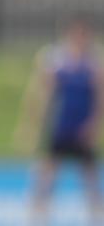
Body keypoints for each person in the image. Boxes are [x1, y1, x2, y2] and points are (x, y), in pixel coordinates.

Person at [16, 17, 104, 225]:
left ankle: (97, 216)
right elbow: (42, 95)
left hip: (82, 128)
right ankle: (37, 215)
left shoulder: (93, 64)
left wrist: (94, 126)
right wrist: (32, 126)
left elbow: (100, 99)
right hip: (61, 126)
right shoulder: (57, 61)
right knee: (47, 172)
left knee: (90, 176)